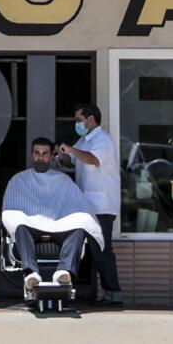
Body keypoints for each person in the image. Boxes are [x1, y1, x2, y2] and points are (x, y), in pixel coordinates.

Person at [0, 138, 101, 302]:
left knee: (78, 228)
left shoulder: (62, 180)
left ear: (51, 154)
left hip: (58, 225)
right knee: (19, 226)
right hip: (31, 227)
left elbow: (77, 206)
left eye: (45, 153)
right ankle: (31, 274)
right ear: (32, 154)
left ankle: (64, 273)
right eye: (37, 153)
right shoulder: (19, 180)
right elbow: (10, 209)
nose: (40, 157)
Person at [58, 102, 125, 304]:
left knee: (101, 250)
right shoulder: (84, 140)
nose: (76, 124)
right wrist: (63, 156)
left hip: (102, 206)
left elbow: (92, 159)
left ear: (91, 119)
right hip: (85, 206)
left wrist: (71, 150)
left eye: (79, 120)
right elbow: (73, 160)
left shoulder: (103, 141)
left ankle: (114, 294)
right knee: (75, 245)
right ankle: (65, 288)